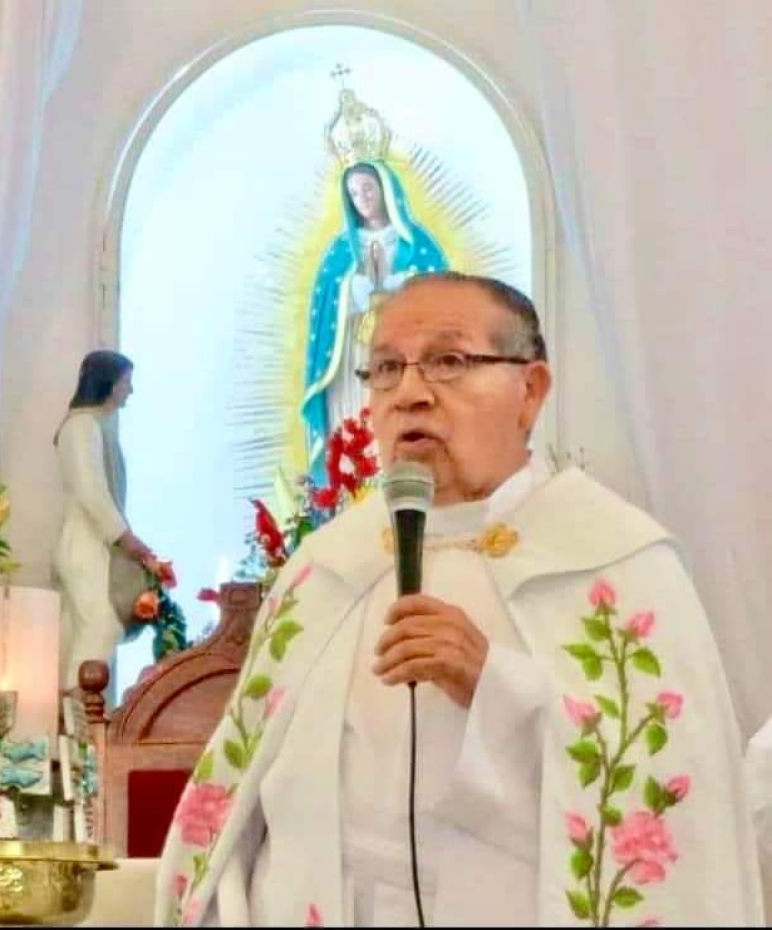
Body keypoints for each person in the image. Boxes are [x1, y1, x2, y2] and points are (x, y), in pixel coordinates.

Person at [155, 273, 763, 926]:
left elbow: (670, 794)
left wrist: (492, 684)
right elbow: (238, 812)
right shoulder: (325, 570)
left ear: (530, 391)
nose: (409, 394)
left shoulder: (617, 562)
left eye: (448, 360)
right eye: (386, 369)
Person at [302, 161, 447, 484]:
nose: (362, 198)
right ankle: (355, 489)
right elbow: (325, 308)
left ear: (385, 188)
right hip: (354, 354)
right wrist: (353, 290)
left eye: (368, 188)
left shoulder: (417, 242)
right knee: (356, 418)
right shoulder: (340, 250)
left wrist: (403, 285)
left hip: (405, 351)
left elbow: (443, 296)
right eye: (354, 193)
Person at [53, 350, 154, 692]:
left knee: (78, 631)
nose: (130, 390)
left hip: (91, 544)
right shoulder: (82, 426)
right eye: (126, 382)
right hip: (85, 545)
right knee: (102, 626)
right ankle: (79, 714)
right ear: (108, 384)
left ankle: (70, 713)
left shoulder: (92, 425)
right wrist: (125, 537)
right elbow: (90, 490)